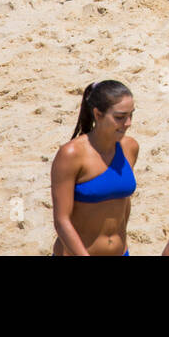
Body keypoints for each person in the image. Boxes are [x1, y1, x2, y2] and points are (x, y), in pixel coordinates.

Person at [50, 81, 138, 256]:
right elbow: (61, 220)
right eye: (120, 117)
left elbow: (122, 202)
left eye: (131, 115)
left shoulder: (130, 147)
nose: (127, 123)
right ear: (98, 114)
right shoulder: (71, 154)